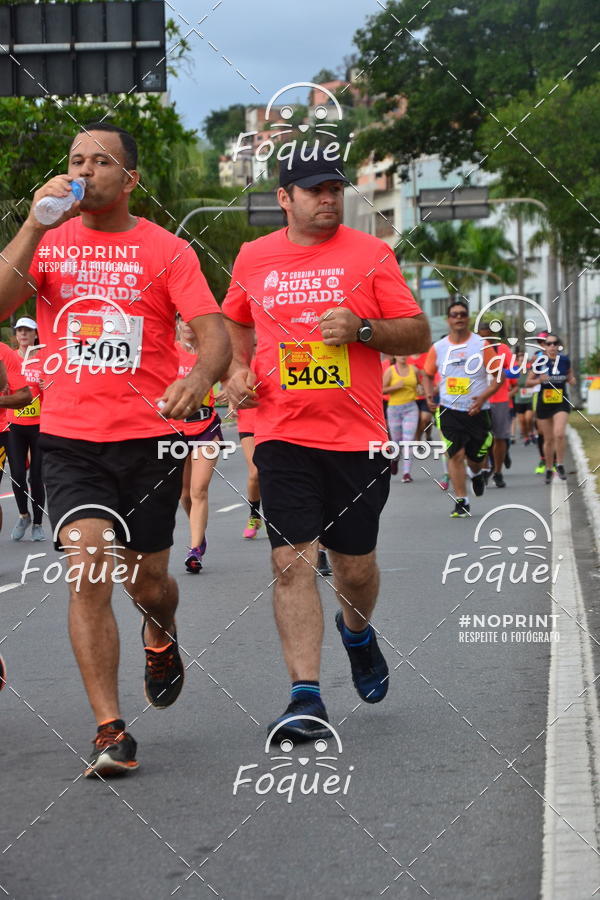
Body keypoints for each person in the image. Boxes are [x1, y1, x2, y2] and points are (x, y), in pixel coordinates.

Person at [0, 122, 230, 775]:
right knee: (89, 564)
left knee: (149, 581)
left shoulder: (167, 250)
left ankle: (161, 632)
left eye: (102, 162)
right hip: (71, 438)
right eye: (77, 160)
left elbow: (214, 337)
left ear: (129, 179)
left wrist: (197, 377)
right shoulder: (47, 243)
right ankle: (109, 729)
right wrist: (34, 225)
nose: (86, 170)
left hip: (151, 439)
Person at [223, 146, 430, 742]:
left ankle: (358, 634)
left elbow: (417, 331)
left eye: (335, 189)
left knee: (355, 567)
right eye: (314, 190)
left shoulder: (370, 254)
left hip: (358, 439)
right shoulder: (254, 257)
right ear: (284, 198)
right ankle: (306, 697)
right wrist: (237, 369)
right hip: (283, 434)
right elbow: (234, 317)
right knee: (291, 561)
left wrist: (363, 329)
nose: (328, 199)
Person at [423, 300, 504, 517]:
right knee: (455, 455)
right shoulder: (438, 348)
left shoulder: (481, 345)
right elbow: (427, 375)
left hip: (477, 410)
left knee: (475, 458)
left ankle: (476, 473)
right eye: (454, 314)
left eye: (462, 314)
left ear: (467, 318)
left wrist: (483, 397)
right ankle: (462, 500)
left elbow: (498, 376)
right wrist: (430, 394)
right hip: (449, 409)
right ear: (448, 319)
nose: (458, 317)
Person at [175, 315, 223, 573]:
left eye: (192, 319)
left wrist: (232, 388)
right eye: (183, 319)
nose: (188, 324)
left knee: (199, 490)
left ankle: (194, 551)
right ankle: (199, 533)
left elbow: (231, 371)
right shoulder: (168, 352)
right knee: (184, 495)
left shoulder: (210, 352)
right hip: (178, 429)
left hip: (207, 426)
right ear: (177, 323)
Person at [7, 316, 46, 541]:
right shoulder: (9, 358)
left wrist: (46, 385)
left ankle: (38, 524)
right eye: (20, 330)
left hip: (38, 426)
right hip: (15, 426)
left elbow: (52, 390)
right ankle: (24, 516)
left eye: (28, 331)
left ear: (35, 335)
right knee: (18, 475)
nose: (23, 334)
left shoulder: (44, 360)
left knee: (36, 477)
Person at [526, 333, 574, 483]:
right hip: (544, 402)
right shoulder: (540, 361)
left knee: (559, 434)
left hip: (561, 401)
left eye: (555, 343)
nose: (552, 346)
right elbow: (528, 382)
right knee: (548, 439)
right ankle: (548, 467)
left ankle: (559, 464)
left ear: (558, 345)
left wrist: (572, 380)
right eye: (549, 344)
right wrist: (539, 379)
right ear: (544, 346)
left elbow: (570, 376)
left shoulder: (565, 360)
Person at [0, 340, 32, 535]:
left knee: (20, 475)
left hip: (5, 429)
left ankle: (26, 515)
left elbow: (24, 396)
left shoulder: (4, 353)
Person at [477, 321, 513, 488]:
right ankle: (484, 469)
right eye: (481, 336)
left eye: (488, 336)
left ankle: (498, 472)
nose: (485, 340)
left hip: (500, 399)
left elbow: (514, 371)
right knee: (483, 438)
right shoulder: (475, 350)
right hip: (481, 399)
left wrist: (499, 372)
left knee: (499, 437)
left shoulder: (503, 349)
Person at [383, 355, 419, 482]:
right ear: (395, 356)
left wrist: (423, 390)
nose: (403, 356)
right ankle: (395, 459)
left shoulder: (414, 369)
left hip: (411, 408)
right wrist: (395, 387)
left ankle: (406, 473)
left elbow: (421, 383)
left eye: (405, 353)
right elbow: (381, 389)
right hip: (394, 409)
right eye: (400, 354)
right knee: (397, 442)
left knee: (408, 441)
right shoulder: (390, 370)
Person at [512, 351, 535, 443]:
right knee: (522, 421)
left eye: (524, 361)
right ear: (517, 362)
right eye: (521, 361)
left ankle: (531, 432)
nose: (523, 363)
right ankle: (526, 436)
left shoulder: (530, 373)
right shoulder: (515, 373)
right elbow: (511, 385)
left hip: (530, 399)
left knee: (528, 418)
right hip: (519, 400)